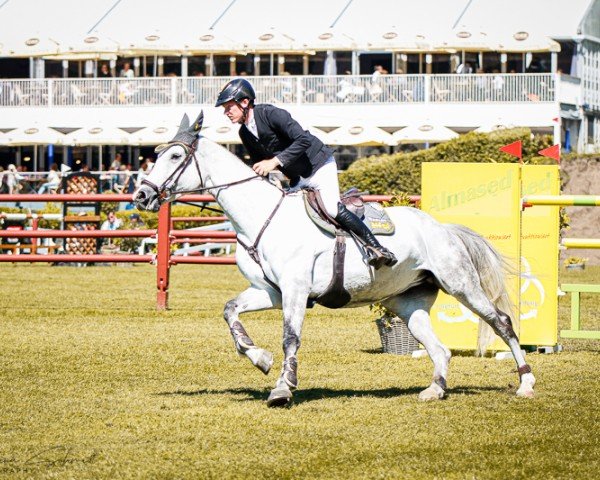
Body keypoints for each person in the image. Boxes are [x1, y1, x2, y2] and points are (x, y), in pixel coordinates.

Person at [215, 78, 397, 268]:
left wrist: (275, 162)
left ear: (244, 102)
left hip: (319, 165)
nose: (226, 113)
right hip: (297, 178)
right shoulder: (244, 133)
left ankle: (376, 248)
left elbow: (303, 140)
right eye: (225, 109)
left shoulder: (271, 114)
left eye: (229, 107)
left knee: (331, 208)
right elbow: (262, 166)